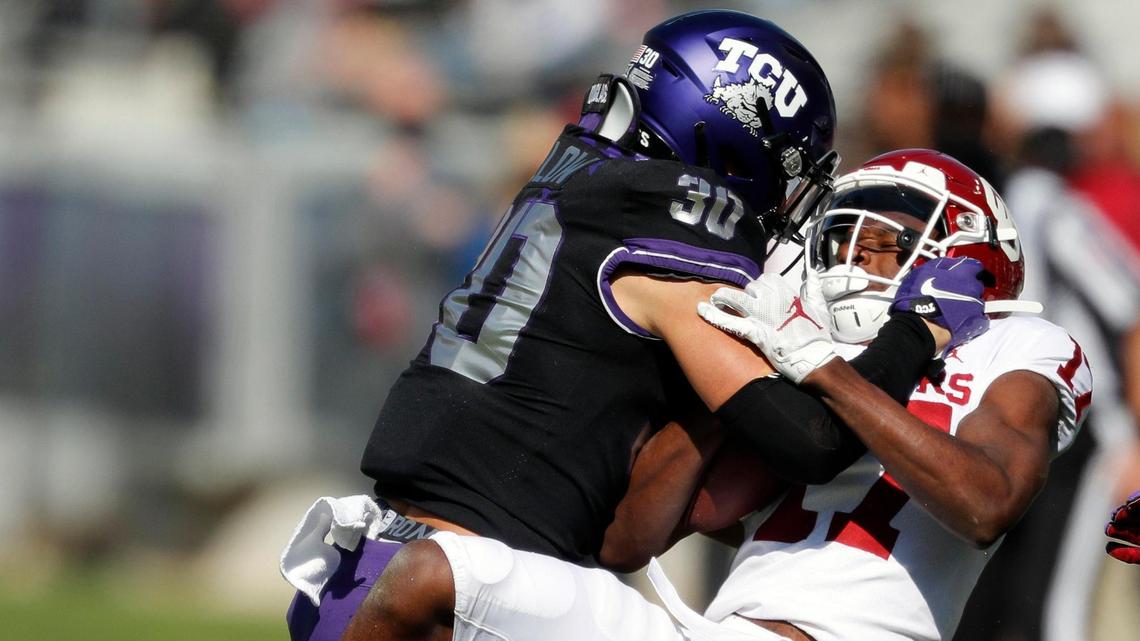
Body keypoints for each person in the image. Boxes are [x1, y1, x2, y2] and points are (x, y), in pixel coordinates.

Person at [279, 11, 959, 641]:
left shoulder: (580, 180)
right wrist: (916, 330)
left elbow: (623, 541)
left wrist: (716, 404)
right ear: (726, 137)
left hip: (368, 564)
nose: (786, 202)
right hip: (459, 580)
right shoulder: (673, 239)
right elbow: (815, 440)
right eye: (785, 170)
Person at [361, 149, 1092, 641]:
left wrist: (825, 372)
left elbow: (985, 502)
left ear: (965, 255)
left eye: (884, 244)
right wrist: (739, 381)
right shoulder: (814, 361)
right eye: (843, 242)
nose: (853, 263)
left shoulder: (1023, 345)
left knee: (433, 580)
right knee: (412, 571)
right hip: (717, 626)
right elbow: (627, 538)